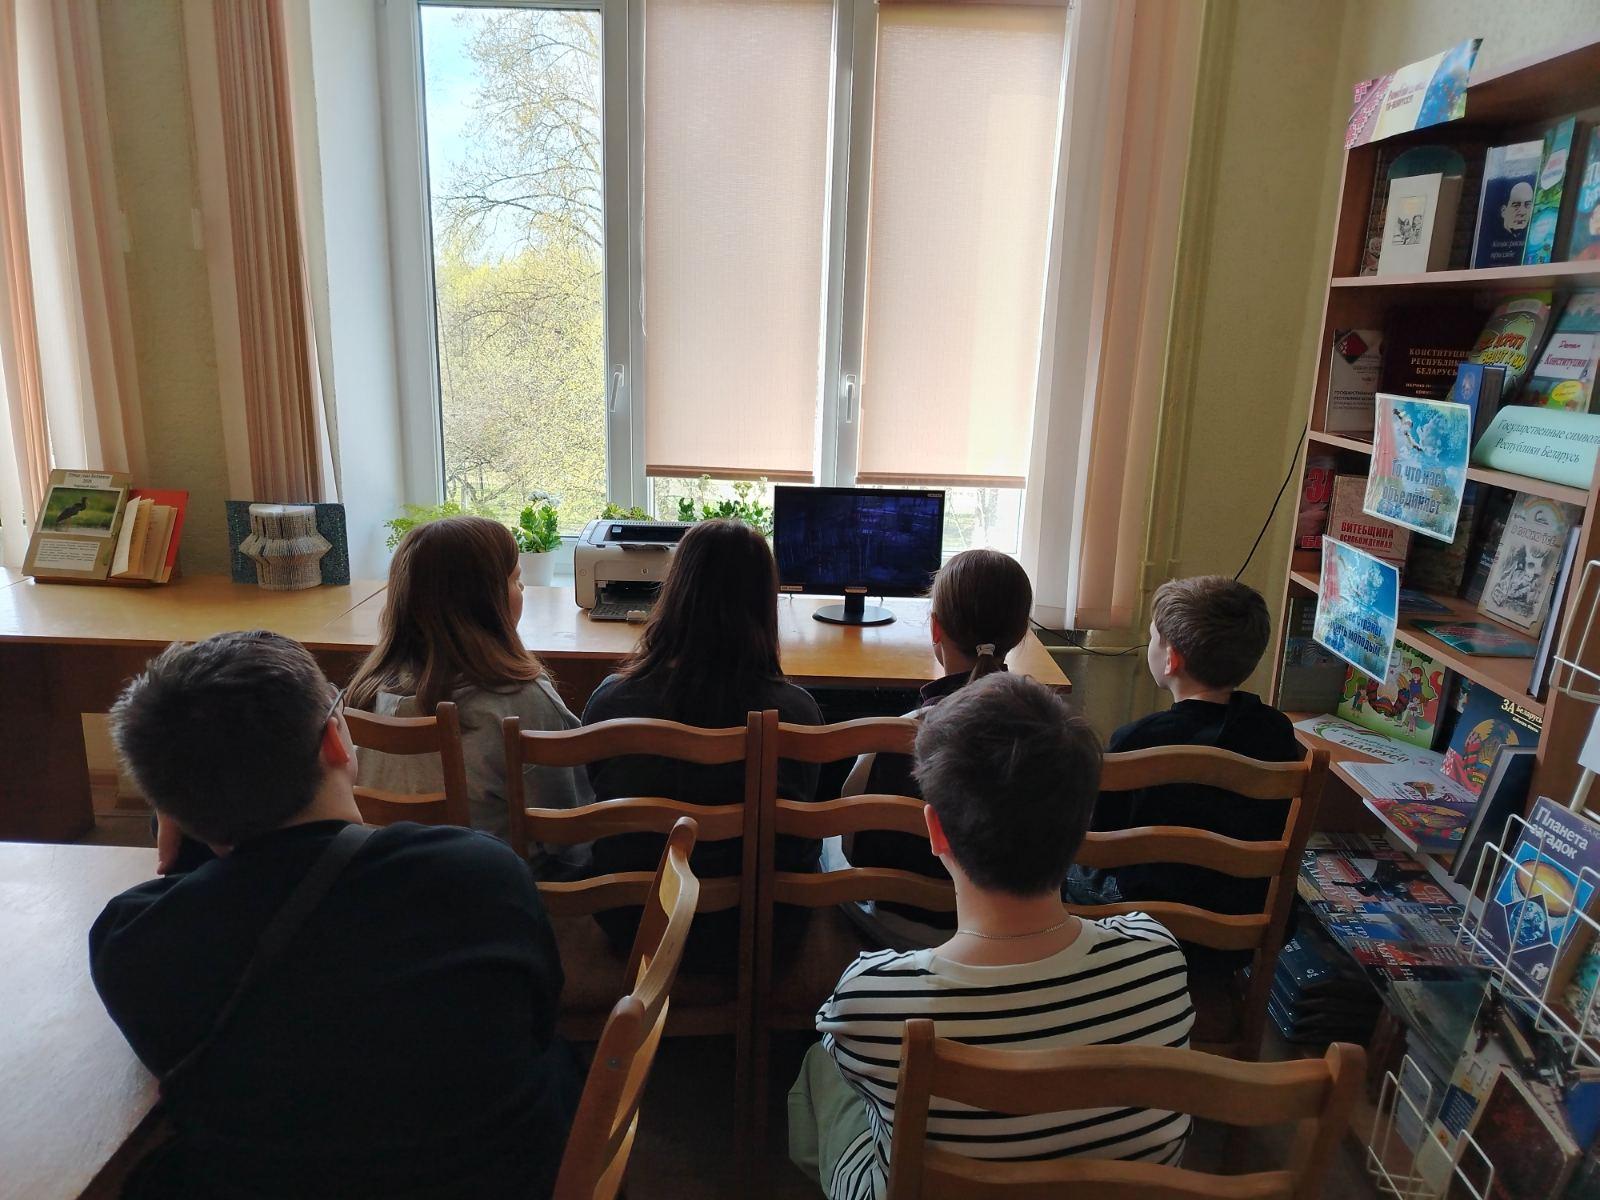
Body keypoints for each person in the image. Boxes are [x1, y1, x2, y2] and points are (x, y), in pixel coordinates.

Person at [91, 631, 579, 1200]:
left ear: (166, 801)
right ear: (335, 741)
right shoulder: (480, 873)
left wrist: (192, 822)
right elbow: (541, 1016)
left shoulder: (133, 942)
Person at [789, 674, 1194, 1200]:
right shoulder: (1159, 956)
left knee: (822, 1066)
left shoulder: (874, 997)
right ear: (1083, 824)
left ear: (935, 830)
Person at [581, 518, 822, 971]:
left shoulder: (611, 702)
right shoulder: (797, 711)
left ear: (674, 592)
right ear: (765, 603)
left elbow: (597, 793)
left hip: (634, 924)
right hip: (764, 928)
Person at [347, 515, 591, 874]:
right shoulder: (520, 699)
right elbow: (567, 828)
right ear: (486, 601)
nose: (522, 588)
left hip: (392, 888)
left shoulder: (363, 695)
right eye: (515, 580)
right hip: (496, 891)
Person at [1065, 575, 1303, 928]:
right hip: (1246, 913)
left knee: (1059, 863)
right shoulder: (1276, 729)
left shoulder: (1136, 740)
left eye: (1152, 637)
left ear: (1171, 660)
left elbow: (1102, 839)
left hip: (1147, 917)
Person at [833, 548, 1034, 947]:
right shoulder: (1046, 732)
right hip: (1008, 931)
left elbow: (852, 846)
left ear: (935, 629)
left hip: (901, 928)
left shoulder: (899, 735)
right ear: (1020, 631)